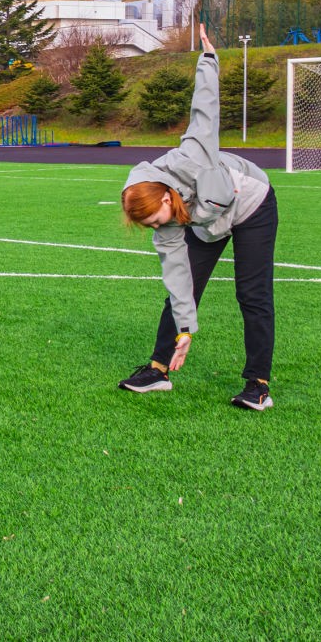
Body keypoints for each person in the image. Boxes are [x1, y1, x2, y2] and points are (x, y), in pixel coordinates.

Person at [118, 24, 278, 412]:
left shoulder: (194, 154)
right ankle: (158, 370)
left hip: (251, 203)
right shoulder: (166, 221)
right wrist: (186, 330)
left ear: (167, 196)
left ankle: (258, 384)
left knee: (252, 293)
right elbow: (177, 279)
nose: (159, 228)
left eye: (158, 219)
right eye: (151, 226)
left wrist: (208, 59)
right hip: (207, 223)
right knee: (181, 290)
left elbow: (204, 106)